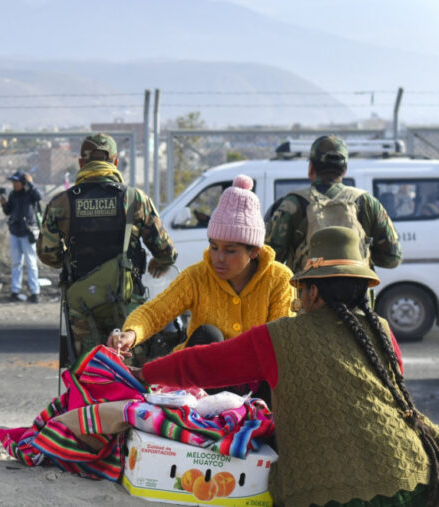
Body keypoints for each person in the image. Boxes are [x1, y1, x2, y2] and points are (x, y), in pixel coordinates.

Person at [136, 226, 439, 506]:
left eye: (302, 292)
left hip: (332, 495)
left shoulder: (281, 336)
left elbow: (201, 363)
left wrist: (144, 374)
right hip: (416, 475)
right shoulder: (382, 330)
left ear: (314, 292)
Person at [109, 174, 293, 360]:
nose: (218, 258)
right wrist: (131, 334)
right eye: (214, 247)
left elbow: (281, 341)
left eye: (230, 251)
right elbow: (155, 311)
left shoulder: (279, 279)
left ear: (253, 251)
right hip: (204, 378)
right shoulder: (197, 277)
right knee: (208, 334)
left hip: (255, 374)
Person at [37, 133, 177, 360]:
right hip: (126, 301)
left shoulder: (61, 203)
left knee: (88, 372)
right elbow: (165, 249)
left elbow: (48, 254)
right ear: (115, 162)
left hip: (81, 304)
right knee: (131, 373)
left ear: (81, 163)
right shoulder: (134, 199)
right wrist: (160, 262)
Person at [266, 134, 402, 274]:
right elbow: (393, 257)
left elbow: (269, 257)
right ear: (345, 169)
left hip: (308, 293)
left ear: (311, 167)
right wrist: (359, 254)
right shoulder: (367, 202)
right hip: (357, 292)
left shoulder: (292, 203)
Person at [0, 170, 42, 302]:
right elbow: (8, 211)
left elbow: (39, 196)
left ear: (23, 182)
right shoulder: (13, 194)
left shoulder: (30, 193)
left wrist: (31, 183)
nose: (14, 184)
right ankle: (15, 291)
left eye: (16, 182)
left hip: (27, 232)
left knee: (31, 263)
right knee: (16, 263)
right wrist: (4, 203)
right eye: (13, 182)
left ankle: (35, 293)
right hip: (15, 232)